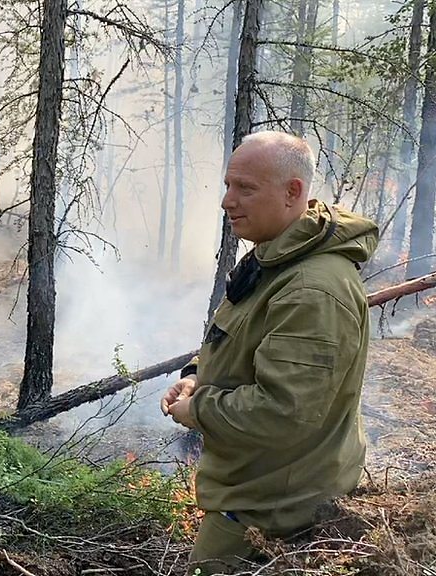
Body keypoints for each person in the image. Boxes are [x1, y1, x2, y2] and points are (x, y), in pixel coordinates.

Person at [160, 131, 377, 575]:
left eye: (245, 188)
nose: (227, 201)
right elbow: (248, 343)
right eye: (227, 185)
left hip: (275, 506)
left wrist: (197, 409)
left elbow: (283, 410)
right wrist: (199, 373)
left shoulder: (312, 289)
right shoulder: (278, 257)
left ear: (293, 192)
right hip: (262, 486)